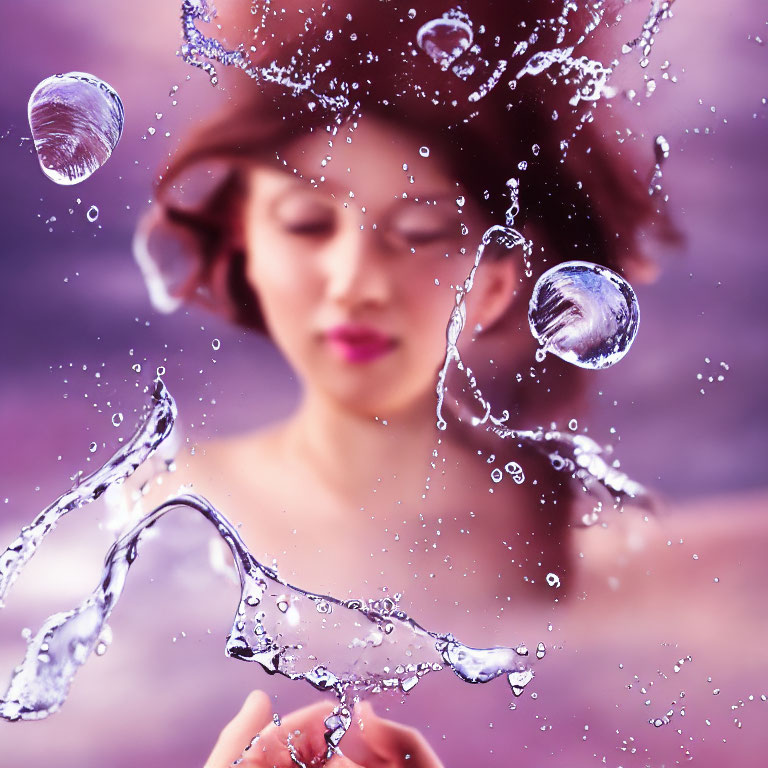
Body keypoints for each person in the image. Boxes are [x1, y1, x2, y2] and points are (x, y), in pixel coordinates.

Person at [132, 2, 767, 766]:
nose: (355, 283)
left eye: (422, 233)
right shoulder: (153, 525)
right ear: (245, 242)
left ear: (499, 281)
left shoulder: (592, 540)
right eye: (306, 223)